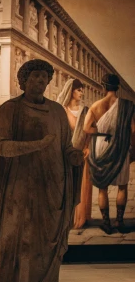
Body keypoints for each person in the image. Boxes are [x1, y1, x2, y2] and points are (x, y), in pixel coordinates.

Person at [0, 59, 83, 282]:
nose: (39, 81)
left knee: (41, 245)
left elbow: (65, 146)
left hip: (52, 187)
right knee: (12, 241)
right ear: (23, 80)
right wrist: (37, 144)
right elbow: (3, 147)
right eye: (34, 76)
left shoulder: (58, 112)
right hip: (20, 189)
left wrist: (73, 156)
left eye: (43, 77)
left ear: (48, 81)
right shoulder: (10, 110)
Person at [84, 73, 135, 234]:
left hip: (101, 145)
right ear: (118, 87)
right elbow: (133, 130)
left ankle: (106, 223)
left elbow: (86, 128)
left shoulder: (95, 106)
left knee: (102, 188)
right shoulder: (127, 105)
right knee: (122, 186)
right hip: (121, 146)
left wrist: (101, 131)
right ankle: (119, 221)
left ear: (103, 87)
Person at [57, 77, 92, 229]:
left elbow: (90, 132)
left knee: (82, 187)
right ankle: (66, 219)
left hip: (83, 154)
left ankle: (81, 218)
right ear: (71, 91)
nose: (81, 92)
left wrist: (88, 147)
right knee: (66, 187)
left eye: (82, 89)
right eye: (79, 90)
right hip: (65, 156)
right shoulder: (61, 111)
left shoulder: (86, 111)